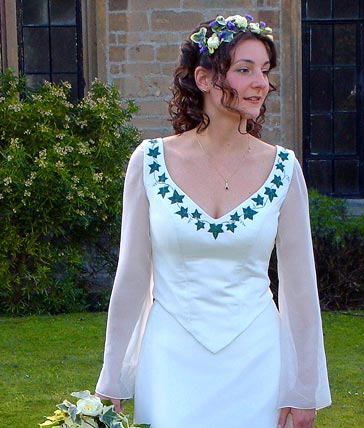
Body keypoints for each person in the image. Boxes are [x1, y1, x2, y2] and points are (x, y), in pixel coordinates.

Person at [95, 14, 331, 428]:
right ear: (204, 79)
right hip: (170, 362)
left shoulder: (284, 169)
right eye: (244, 70)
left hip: (258, 362)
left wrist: (303, 388)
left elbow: (299, 286)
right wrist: (111, 379)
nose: (261, 82)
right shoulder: (149, 162)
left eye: (265, 70)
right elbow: (132, 274)